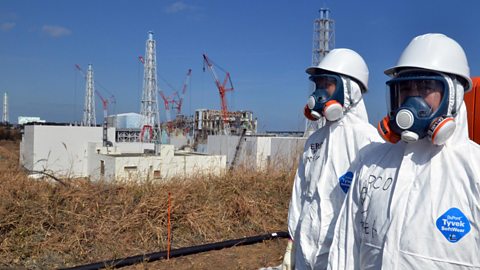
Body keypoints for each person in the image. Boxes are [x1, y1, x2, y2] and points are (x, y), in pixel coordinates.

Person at [327, 33, 480, 269]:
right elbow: (345, 248)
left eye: (426, 87)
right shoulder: (372, 162)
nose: (412, 97)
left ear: (453, 96)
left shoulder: (475, 169)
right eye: (406, 88)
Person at [283, 48, 382, 270]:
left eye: (327, 83)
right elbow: (300, 193)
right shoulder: (314, 140)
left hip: (342, 253)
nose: (319, 92)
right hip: (306, 249)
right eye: (317, 84)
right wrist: (292, 242)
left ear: (350, 89)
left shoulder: (368, 140)